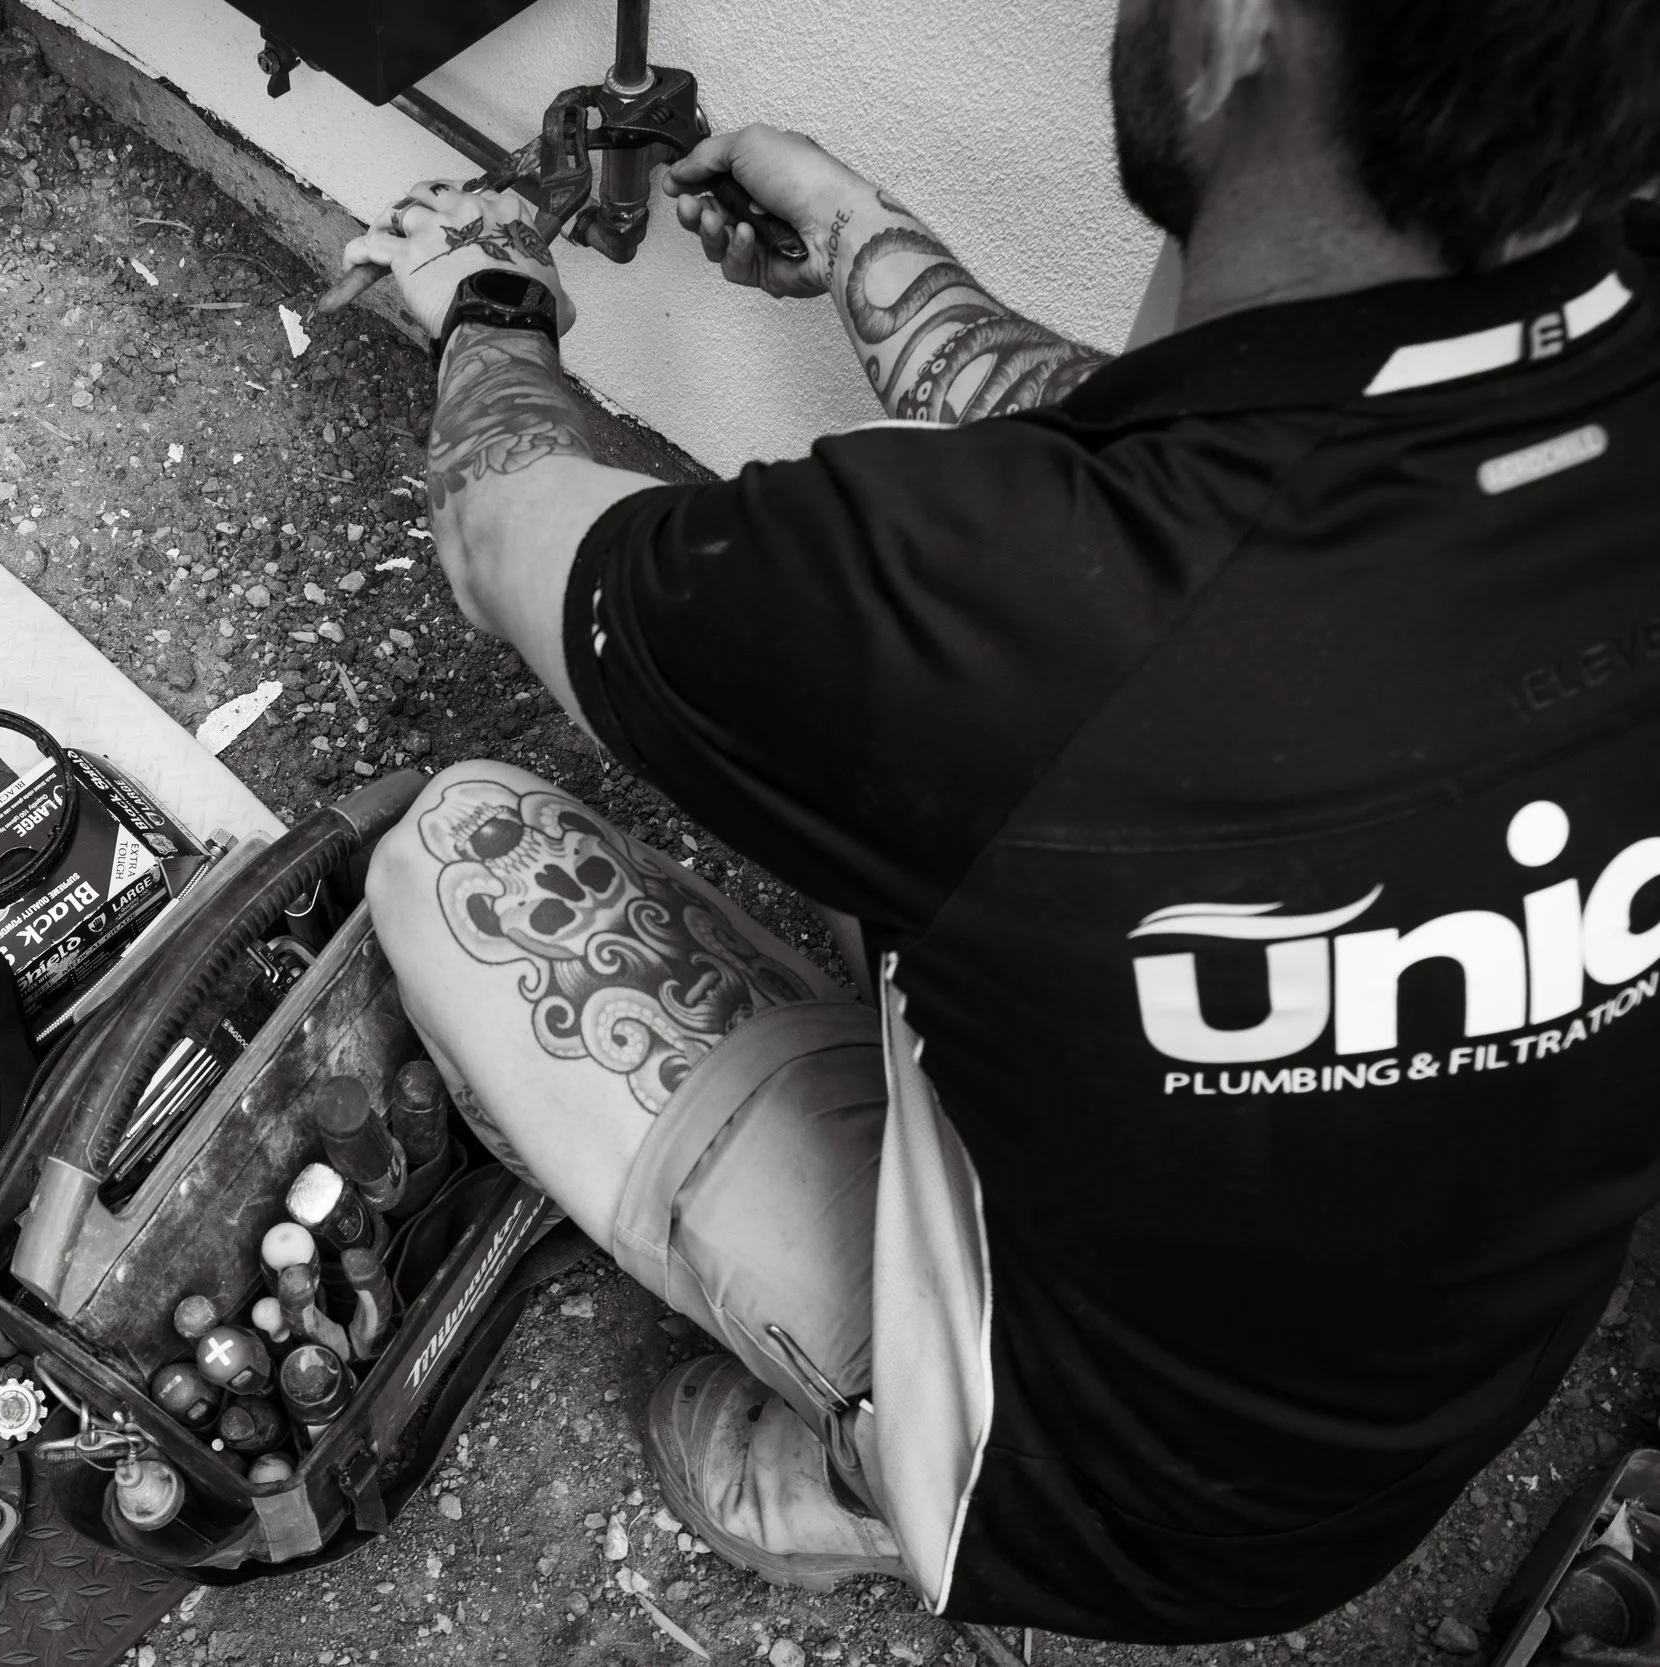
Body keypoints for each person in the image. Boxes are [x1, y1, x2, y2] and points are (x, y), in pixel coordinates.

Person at [343, 0, 1660, 1640]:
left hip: (1098, 1507)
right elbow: (1187, 475)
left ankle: (877, 1482)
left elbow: (501, 536)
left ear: (1241, 28)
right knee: (984, 834)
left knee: (450, 856)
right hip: (1416, 1422)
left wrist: (484, 300)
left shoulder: (991, 626)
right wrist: (865, 240)